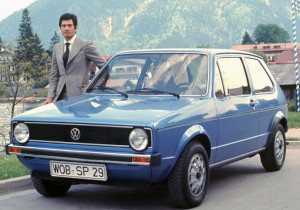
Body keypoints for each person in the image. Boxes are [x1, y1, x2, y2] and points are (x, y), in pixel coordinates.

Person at [43, 13, 106, 105]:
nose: (66, 28)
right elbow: (54, 75)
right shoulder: (57, 47)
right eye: (63, 26)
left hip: (80, 96)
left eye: (69, 25)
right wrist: (50, 97)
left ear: (75, 27)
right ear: (60, 28)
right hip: (59, 99)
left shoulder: (85, 45)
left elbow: (106, 68)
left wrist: (94, 85)